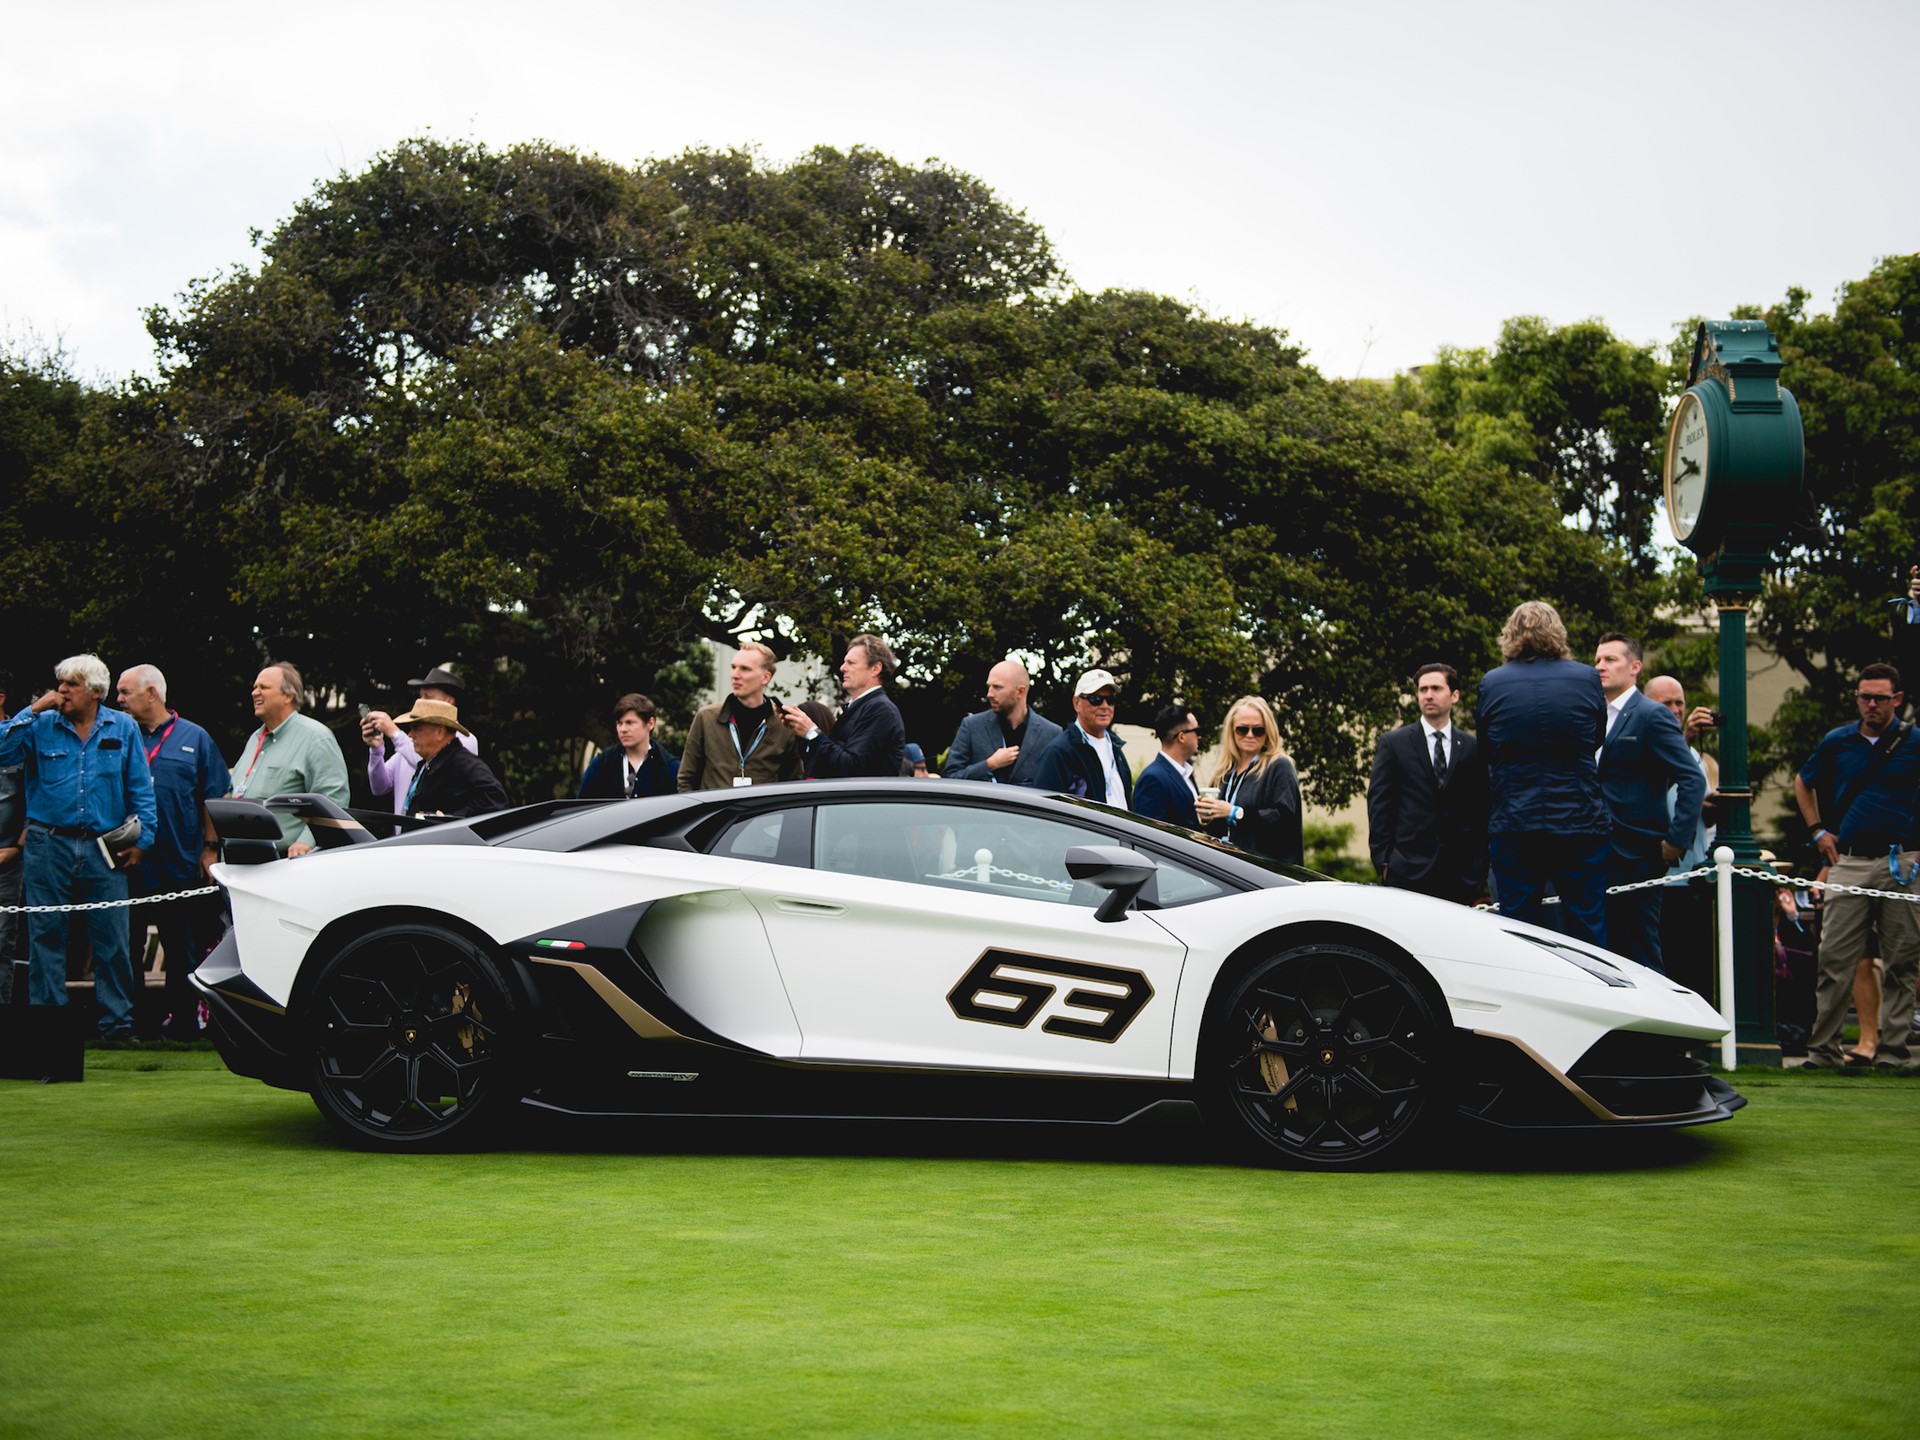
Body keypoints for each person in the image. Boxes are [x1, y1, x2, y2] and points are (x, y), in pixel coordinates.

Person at [0, 655, 157, 1041]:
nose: (62, 691)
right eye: (60, 683)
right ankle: (48, 1030)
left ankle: (116, 1026)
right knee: (46, 938)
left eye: (71, 684)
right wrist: (32, 709)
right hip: (46, 843)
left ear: (96, 691)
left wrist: (143, 841)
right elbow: (3, 753)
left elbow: (141, 788)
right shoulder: (40, 725)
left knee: (112, 939)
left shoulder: (123, 727)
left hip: (106, 847)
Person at [1793, 662, 1920, 1070]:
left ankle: (1893, 1051)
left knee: (1902, 959)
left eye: (1880, 698)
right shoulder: (1838, 741)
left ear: (1896, 700)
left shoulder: (1914, 741)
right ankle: (1823, 1050)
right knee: (1834, 959)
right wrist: (1817, 831)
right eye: (1864, 697)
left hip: (1902, 861)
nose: (1870, 705)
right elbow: (1803, 780)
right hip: (1848, 859)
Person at [1475, 602, 1610, 947]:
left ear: (1511, 635)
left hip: (1515, 821)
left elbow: (1487, 749)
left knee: (1519, 929)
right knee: (1588, 924)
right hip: (1579, 820)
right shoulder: (1586, 677)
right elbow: (1596, 738)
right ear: (1557, 632)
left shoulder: (1493, 682)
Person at [115, 664, 231, 1039]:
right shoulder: (118, 735)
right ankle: (134, 1024)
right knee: (126, 946)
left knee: (180, 947)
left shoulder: (194, 738)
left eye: (125, 692)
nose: (118, 700)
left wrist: (210, 849)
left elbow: (214, 796)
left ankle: (183, 1023)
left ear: (152, 693)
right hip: (126, 862)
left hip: (178, 861)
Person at [1593, 634, 1705, 972]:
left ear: (1635, 667)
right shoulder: (1593, 712)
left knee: (1641, 951)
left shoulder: (1651, 715)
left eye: (1611, 660)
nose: (1600, 666)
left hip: (1638, 853)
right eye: (1598, 659)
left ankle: (1651, 1025)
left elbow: (1692, 778)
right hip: (1594, 850)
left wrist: (1676, 840)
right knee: (1602, 951)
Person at [1366, 663, 1487, 905]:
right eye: (1423, 690)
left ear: (1454, 695)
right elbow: (1379, 804)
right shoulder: (1394, 743)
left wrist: (1479, 866)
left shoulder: (1473, 747)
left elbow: (1481, 807)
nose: (1428, 695)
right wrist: (1384, 861)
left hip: (1460, 875)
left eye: (1436, 688)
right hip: (1406, 870)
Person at [1646, 675, 1721, 997]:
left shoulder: (1695, 756)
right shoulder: (1645, 742)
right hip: (1661, 875)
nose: (1676, 710)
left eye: (1680, 703)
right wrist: (1686, 735)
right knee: (1665, 965)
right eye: (1667, 704)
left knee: (1696, 964)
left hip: (1694, 874)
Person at [230, 662, 351, 856]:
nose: (254, 693)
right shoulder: (255, 739)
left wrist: (306, 841)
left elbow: (334, 797)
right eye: (254, 687)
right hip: (240, 861)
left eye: (264, 687)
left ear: (288, 696)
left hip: (285, 864)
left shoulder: (316, 737)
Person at [679, 642, 804, 790]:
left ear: (765, 677)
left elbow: (792, 784)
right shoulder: (706, 718)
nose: (735, 675)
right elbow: (686, 779)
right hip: (716, 812)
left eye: (745, 669)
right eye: (733, 667)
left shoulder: (784, 724)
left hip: (762, 813)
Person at [779, 634, 906, 779]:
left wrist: (811, 732)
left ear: (875, 668)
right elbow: (829, 764)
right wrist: (799, 731)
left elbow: (851, 766)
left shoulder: (881, 710)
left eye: (851, 663)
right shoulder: (863, 707)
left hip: (863, 800)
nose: (842, 668)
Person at [1195, 696, 1303, 864]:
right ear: (1232, 731)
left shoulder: (1279, 766)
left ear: (1268, 732)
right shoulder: (1226, 771)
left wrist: (1236, 813)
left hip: (1268, 871)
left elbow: (1284, 820)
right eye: (1242, 729)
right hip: (1230, 867)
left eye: (1258, 730)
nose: (1250, 735)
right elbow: (1219, 830)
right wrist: (1208, 815)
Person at [362, 664, 479, 814]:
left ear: (449, 702)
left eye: (428, 697)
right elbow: (380, 787)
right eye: (420, 696)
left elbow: (429, 761)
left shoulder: (465, 740)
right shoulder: (411, 742)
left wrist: (394, 732)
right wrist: (376, 749)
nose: (420, 702)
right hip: (403, 836)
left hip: (435, 836)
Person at [942, 660, 1062, 787]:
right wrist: (989, 764)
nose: (989, 694)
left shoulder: (1051, 733)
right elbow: (950, 777)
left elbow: (1059, 787)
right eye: (989, 686)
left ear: (1020, 692)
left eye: (997, 687)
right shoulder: (972, 726)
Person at [1031, 670, 1132, 808]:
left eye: (1111, 700)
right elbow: (1045, 810)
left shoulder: (1116, 748)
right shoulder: (1059, 752)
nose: (1105, 706)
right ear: (1077, 703)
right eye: (1095, 699)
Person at [391, 699, 508, 817]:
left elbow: (496, 799)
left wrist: (452, 819)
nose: (410, 734)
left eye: (417, 728)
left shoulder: (462, 763)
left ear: (440, 732)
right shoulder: (428, 763)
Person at [577, 693, 679, 799]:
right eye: (619, 723)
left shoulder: (669, 767)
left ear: (650, 723)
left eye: (630, 723)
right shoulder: (602, 764)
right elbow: (582, 809)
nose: (623, 729)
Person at [1132, 705, 1201, 827]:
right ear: (1181, 737)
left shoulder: (1186, 773)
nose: (1199, 737)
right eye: (1197, 731)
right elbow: (1148, 834)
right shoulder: (1153, 778)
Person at [0, 669, 22, 1007]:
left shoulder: (22, 740)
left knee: (2, 942)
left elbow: (37, 796)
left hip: (6, 862)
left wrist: (15, 847)